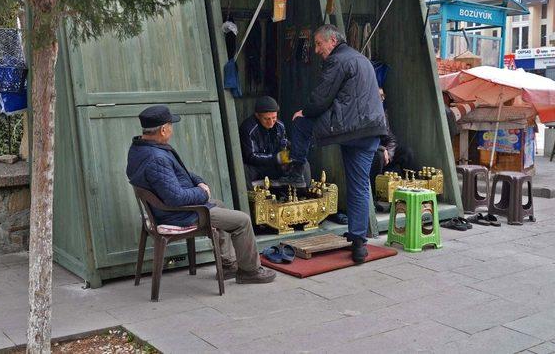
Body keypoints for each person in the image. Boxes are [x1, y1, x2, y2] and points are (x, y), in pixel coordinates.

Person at [127, 105, 276, 284]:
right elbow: (175, 198)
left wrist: (198, 181)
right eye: (170, 126)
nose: (172, 131)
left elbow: (181, 173)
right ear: (163, 129)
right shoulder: (156, 158)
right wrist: (202, 193)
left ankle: (228, 264)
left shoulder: (140, 149)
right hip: (180, 214)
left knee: (219, 204)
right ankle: (250, 272)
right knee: (242, 221)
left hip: (169, 209)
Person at [279, 24, 387, 263]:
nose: (317, 49)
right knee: (359, 185)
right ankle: (359, 244)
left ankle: (297, 170)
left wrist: (303, 112)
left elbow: (320, 98)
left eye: (319, 44)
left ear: (332, 41)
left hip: (347, 128)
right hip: (370, 131)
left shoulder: (338, 60)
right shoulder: (361, 59)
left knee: (299, 123)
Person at [369, 88, 419, 192]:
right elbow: (365, 140)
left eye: (383, 96)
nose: (382, 99)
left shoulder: (382, 113)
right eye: (379, 96)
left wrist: (389, 154)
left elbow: (391, 138)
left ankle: (413, 187)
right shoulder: (366, 112)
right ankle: (374, 195)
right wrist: (382, 149)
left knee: (406, 151)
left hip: (386, 155)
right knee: (379, 155)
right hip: (372, 153)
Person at [239, 96, 290, 189]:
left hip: (275, 166)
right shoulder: (248, 128)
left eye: (274, 118)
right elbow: (251, 156)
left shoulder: (280, 126)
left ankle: (301, 195)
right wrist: (276, 158)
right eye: (266, 119)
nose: (271, 123)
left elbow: (284, 145)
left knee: (302, 163)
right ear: (257, 116)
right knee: (242, 171)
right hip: (257, 167)